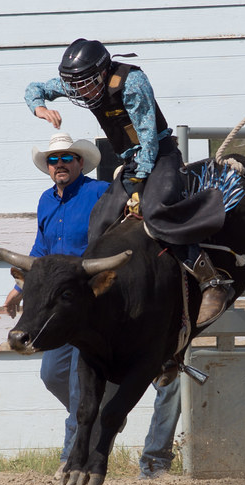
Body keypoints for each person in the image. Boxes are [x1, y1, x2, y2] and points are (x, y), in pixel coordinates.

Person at [3, 132, 181, 480]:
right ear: (48, 168)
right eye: (53, 160)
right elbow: (41, 249)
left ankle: (73, 457)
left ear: (80, 163)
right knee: (52, 374)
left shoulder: (99, 193)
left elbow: (121, 227)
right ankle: (99, 420)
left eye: (67, 158)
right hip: (58, 306)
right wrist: (18, 289)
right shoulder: (46, 201)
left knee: (77, 384)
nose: (60, 165)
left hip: (93, 299)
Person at [24, 38, 232, 327]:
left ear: (101, 73)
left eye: (83, 83)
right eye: (74, 85)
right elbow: (36, 88)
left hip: (161, 155)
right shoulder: (83, 83)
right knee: (99, 219)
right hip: (132, 161)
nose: (78, 91)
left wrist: (136, 185)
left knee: (157, 209)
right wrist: (39, 107)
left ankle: (211, 280)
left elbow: (147, 141)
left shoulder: (132, 83)